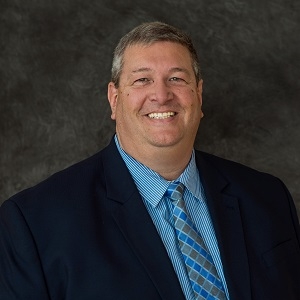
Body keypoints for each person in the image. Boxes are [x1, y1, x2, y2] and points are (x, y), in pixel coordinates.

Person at [0, 21, 299, 300]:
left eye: (176, 78)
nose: (161, 94)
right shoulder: (35, 222)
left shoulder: (267, 197)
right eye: (142, 79)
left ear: (199, 95)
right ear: (114, 99)